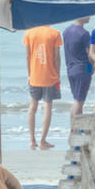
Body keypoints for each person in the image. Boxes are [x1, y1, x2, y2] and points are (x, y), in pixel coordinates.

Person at [21, 22, 62, 150]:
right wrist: (57, 73)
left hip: (34, 75)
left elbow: (28, 56)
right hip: (50, 76)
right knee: (47, 107)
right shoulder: (55, 33)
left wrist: (30, 74)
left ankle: (32, 140)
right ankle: (42, 140)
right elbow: (56, 57)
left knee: (32, 107)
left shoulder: (29, 33)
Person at [62, 15, 94, 129]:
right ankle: (75, 129)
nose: (90, 17)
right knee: (79, 101)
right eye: (87, 14)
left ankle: (75, 128)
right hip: (83, 68)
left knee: (77, 99)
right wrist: (93, 67)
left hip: (70, 68)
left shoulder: (66, 31)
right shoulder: (84, 33)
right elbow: (90, 54)